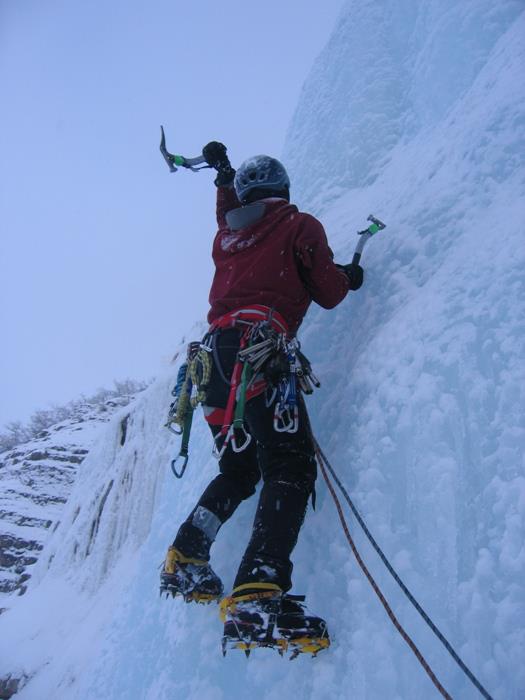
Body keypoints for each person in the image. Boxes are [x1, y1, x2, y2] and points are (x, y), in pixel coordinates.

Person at [160, 142, 363, 656]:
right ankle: (258, 591)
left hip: (211, 365)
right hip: (261, 354)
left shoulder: (228, 236)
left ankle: (188, 555)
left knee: (239, 470)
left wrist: (222, 178)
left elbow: (228, 213)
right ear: (284, 191)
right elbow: (330, 292)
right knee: (290, 466)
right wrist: (349, 276)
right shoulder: (299, 225)